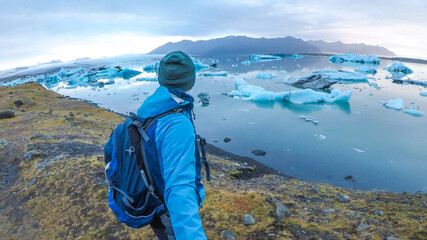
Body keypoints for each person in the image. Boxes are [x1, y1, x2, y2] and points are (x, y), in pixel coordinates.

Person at [136, 51, 207, 239]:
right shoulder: (177, 124)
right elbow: (180, 190)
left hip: (154, 198)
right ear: (191, 81)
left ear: (161, 79)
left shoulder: (152, 108)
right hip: (168, 211)